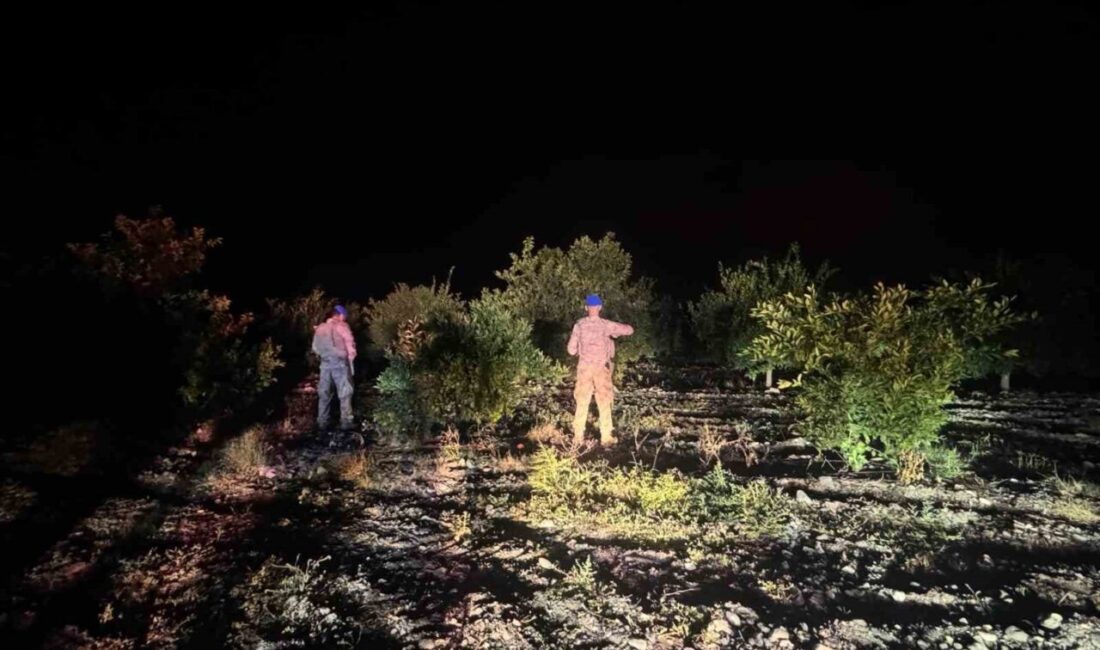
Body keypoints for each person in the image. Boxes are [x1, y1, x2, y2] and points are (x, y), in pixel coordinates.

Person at [566, 294, 633, 445]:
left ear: (586, 308)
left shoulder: (579, 325)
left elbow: (570, 350)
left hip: (584, 368)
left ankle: (577, 437)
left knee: (582, 401)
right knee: (604, 401)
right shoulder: (606, 325)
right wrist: (615, 331)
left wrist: (579, 351)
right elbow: (629, 330)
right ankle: (606, 437)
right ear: (600, 307)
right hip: (601, 369)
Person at [312, 304, 357, 431]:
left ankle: (322, 422)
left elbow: (315, 347)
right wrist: (350, 361)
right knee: (345, 393)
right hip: (340, 364)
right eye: (344, 316)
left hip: (325, 364)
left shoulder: (320, 328)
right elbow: (350, 346)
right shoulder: (342, 326)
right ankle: (346, 422)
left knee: (324, 393)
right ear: (341, 315)